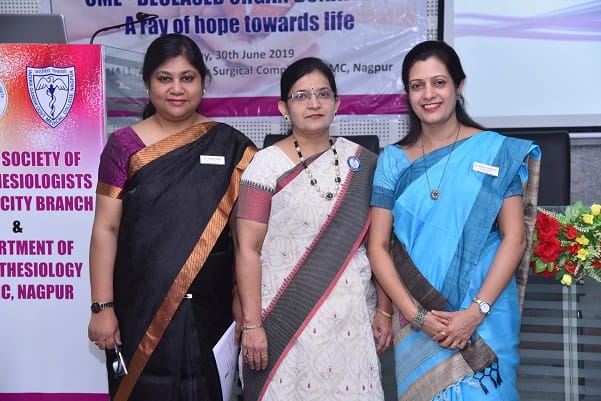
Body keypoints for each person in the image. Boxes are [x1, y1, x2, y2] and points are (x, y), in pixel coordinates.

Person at [86, 33, 256, 401]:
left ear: (203, 84)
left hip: (211, 311)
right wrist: (102, 307)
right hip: (139, 308)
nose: (176, 89)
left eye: (187, 78)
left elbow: (246, 240)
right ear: (147, 85)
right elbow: (105, 229)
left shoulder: (233, 147)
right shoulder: (124, 147)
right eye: (164, 78)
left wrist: (244, 299)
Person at [367, 40, 540, 401]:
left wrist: (476, 312)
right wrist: (418, 317)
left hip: (486, 314)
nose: (428, 94)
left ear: (459, 86)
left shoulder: (495, 150)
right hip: (416, 316)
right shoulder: (392, 161)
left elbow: (514, 238)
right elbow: (378, 246)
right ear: (408, 94)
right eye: (417, 85)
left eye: (439, 82)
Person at [234, 57, 392, 401]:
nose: (314, 103)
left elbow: (378, 244)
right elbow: (247, 249)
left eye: (323, 94)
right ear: (284, 108)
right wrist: (252, 323)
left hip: (351, 318)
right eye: (301, 96)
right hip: (284, 315)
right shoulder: (264, 166)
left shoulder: (364, 164)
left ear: (337, 103)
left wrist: (384, 309)